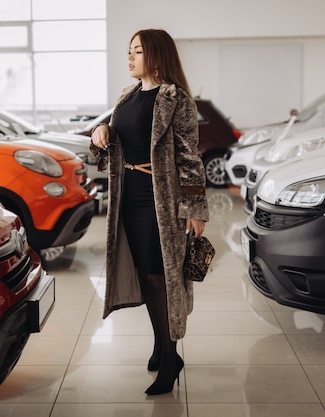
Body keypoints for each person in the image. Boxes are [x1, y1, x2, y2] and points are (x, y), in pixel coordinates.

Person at [90, 28, 209, 396]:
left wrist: (194, 207)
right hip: (130, 197)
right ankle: (161, 344)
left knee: (161, 280)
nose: (129, 58)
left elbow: (190, 159)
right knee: (146, 276)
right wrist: (100, 130)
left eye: (137, 51)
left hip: (163, 201)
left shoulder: (176, 99)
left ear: (156, 56)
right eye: (129, 51)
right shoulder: (127, 97)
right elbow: (113, 139)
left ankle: (171, 357)